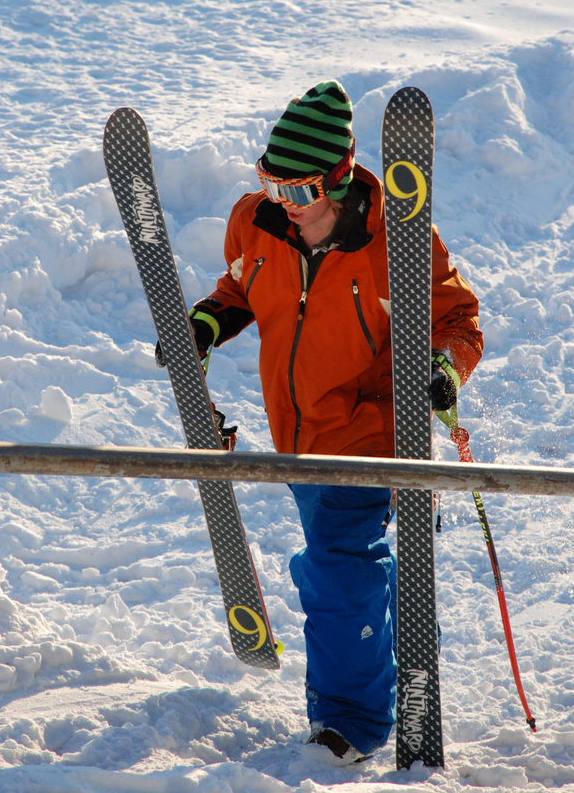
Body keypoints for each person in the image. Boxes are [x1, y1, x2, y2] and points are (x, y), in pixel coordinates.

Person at [161, 81, 483, 763]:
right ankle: (392, 643)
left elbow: (458, 319)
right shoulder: (257, 222)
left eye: (299, 190)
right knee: (350, 569)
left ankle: (350, 724)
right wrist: (208, 323)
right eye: (271, 183)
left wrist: (444, 370)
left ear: (337, 181)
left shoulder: (396, 242)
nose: (283, 201)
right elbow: (242, 285)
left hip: (371, 438)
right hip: (299, 440)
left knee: (335, 573)